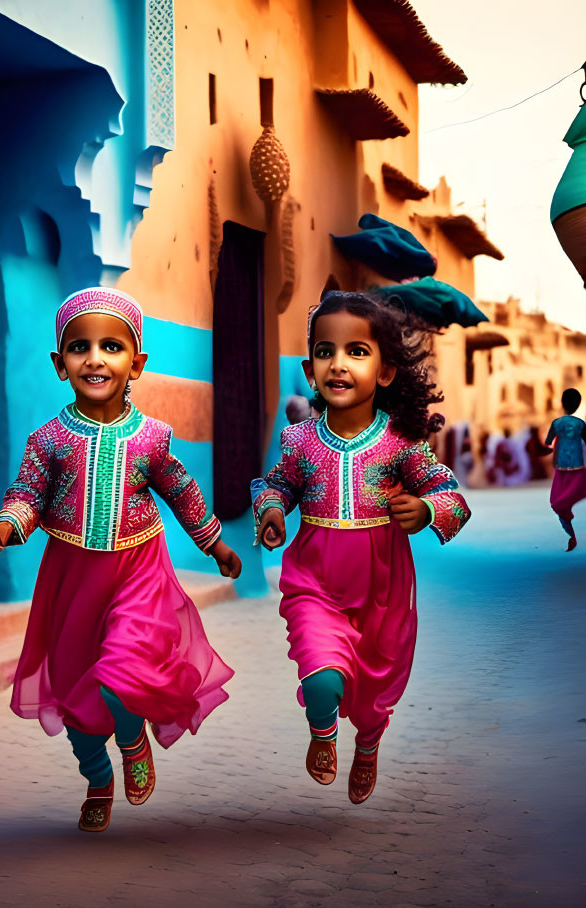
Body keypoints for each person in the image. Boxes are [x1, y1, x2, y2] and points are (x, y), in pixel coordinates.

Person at [0, 287, 242, 832]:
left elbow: (182, 492)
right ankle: (96, 776)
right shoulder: (48, 440)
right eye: (79, 347)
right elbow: (28, 491)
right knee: (76, 695)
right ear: (60, 365)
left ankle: (131, 740)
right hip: (72, 579)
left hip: (138, 571)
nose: (95, 358)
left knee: (121, 672)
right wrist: (10, 524)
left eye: (111, 347)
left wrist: (214, 543)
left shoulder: (152, 439)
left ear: (136, 364)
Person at [251, 290, 471, 805]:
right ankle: (323, 734)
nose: (339, 365)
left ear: (386, 371)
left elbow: (450, 495)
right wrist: (273, 510)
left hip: (384, 590)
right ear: (310, 370)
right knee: (322, 676)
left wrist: (427, 510)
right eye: (326, 352)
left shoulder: (401, 442)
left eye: (356, 352)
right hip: (315, 582)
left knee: (372, 695)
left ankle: (367, 742)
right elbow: (276, 484)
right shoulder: (300, 441)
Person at [543, 388, 586, 551]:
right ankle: (574, 534)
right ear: (578, 405)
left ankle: (571, 533)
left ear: (562, 404)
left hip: (562, 471)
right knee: (567, 502)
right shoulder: (580, 425)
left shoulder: (556, 424)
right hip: (577, 470)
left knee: (557, 503)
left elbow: (548, 443)